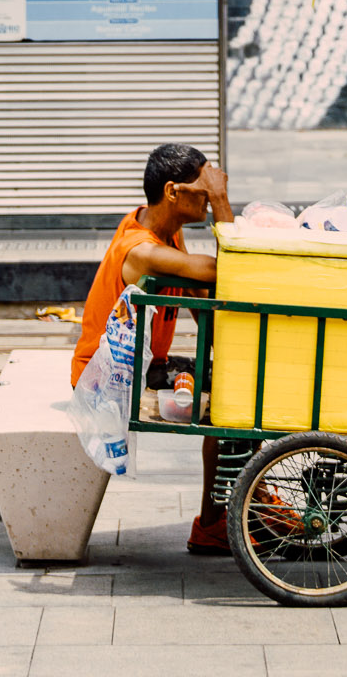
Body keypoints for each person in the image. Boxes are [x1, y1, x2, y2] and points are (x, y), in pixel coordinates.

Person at [72, 142, 233, 553]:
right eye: (203, 187)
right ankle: (214, 521)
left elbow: (201, 291)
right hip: (106, 376)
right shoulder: (142, 250)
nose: (210, 191)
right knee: (234, 401)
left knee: (237, 377)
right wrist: (221, 201)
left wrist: (228, 347)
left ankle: (228, 508)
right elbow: (228, 269)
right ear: (173, 192)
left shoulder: (161, 229)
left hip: (145, 364)